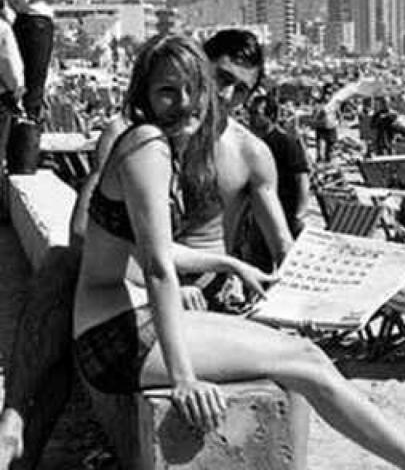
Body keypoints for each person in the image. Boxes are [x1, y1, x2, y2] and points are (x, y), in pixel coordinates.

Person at [70, 35, 405, 470]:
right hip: (116, 337)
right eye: (166, 91)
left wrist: (227, 262)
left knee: (302, 358)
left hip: (117, 325)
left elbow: (152, 247)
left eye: (192, 89)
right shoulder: (149, 147)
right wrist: (184, 379)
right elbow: (157, 268)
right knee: (304, 362)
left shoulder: (159, 145)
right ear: (144, 95)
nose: (183, 103)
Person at [0, 29, 300, 470]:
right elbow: (82, 230)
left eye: (242, 88)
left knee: (66, 312)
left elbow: (286, 249)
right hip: (139, 280)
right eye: (220, 77)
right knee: (62, 265)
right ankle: (15, 422)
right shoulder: (133, 136)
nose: (227, 94)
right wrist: (154, 283)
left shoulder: (250, 153)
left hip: (207, 293)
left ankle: (20, 437)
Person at [247, 94, 310, 239]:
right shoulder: (253, 142)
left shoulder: (285, 143)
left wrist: (300, 214)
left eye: (256, 113)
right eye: (250, 112)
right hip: (259, 212)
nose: (250, 118)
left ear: (271, 116)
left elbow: (302, 178)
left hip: (284, 211)